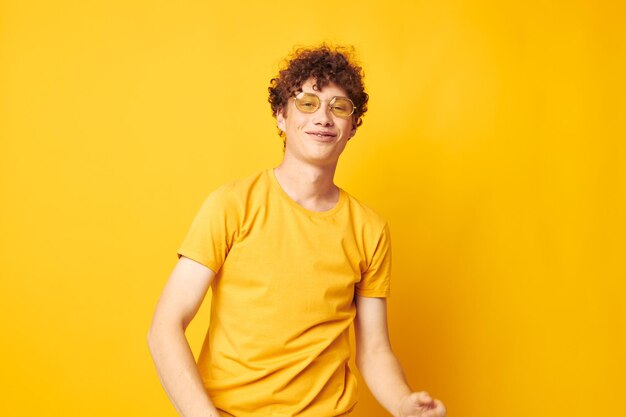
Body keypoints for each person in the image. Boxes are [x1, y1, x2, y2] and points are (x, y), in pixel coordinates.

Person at [147, 44, 446, 417]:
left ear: (352, 127)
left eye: (339, 107)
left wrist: (403, 402)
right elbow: (165, 327)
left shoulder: (370, 229)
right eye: (307, 103)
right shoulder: (232, 204)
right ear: (281, 117)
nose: (323, 117)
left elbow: (374, 350)